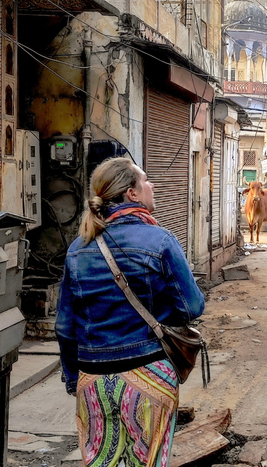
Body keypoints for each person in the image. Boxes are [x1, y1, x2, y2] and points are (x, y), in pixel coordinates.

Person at [56, 157, 204, 467]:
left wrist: (74, 379)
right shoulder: (161, 240)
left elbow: (66, 327)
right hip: (149, 374)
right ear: (132, 194)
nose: (152, 186)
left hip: (93, 379)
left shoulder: (77, 249)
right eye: (145, 180)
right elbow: (192, 307)